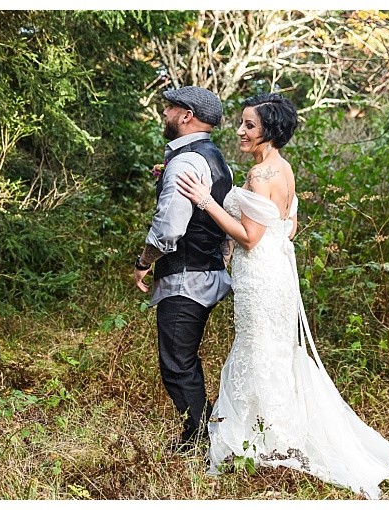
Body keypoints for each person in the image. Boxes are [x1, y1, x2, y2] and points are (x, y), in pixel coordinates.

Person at [177, 93, 389, 499]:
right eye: (242, 123)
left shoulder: (261, 176)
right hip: (276, 273)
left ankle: (267, 443)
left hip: (261, 277)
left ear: (270, 130)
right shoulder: (282, 168)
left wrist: (206, 201)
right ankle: (268, 434)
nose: (241, 130)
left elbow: (250, 235)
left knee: (258, 349)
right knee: (272, 350)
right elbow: (290, 225)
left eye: (249, 125)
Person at [133, 85, 233, 454]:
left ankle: (197, 441)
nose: (165, 114)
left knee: (177, 362)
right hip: (207, 274)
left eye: (170, 108)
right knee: (184, 358)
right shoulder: (218, 159)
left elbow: (169, 228)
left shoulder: (186, 162)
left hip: (186, 278)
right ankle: (202, 433)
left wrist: (143, 262)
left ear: (186, 115)